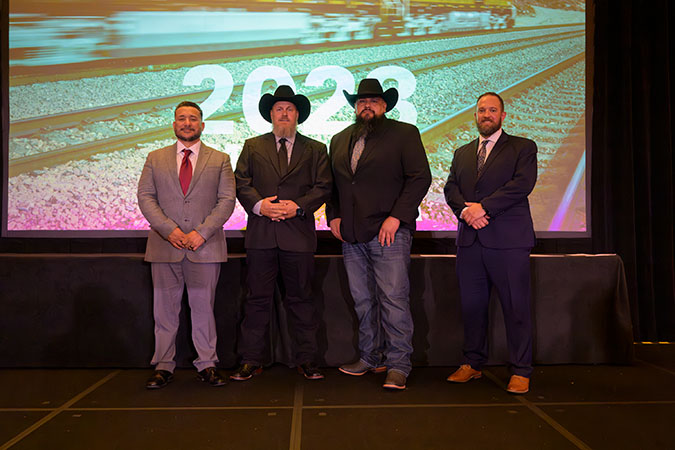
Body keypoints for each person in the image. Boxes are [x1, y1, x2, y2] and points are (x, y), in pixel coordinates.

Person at [326, 78, 431, 390]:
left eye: (372, 101)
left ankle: (399, 364)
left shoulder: (404, 134)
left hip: (390, 233)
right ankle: (371, 357)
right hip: (352, 235)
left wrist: (396, 217)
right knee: (362, 300)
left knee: (393, 299)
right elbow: (334, 184)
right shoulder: (340, 138)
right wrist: (334, 216)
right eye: (361, 101)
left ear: (385, 106)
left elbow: (419, 178)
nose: (366, 105)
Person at [232, 85, 332, 381]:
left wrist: (298, 207)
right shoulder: (252, 145)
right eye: (279, 109)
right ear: (271, 115)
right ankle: (251, 359)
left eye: (289, 109)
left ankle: (307, 360)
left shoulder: (316, 149)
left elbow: (323, 186)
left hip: (298, 236)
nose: (284, 113)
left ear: (298, 115)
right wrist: (261, 205)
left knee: (302, 301)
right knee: (257, 300)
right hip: (262, 236)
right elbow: (240, 182)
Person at [443, 92, 537, 394]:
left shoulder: (523, 147)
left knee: (516, 307)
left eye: (492, 110)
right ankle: (472, 363)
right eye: (481, 110)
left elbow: (521, 185)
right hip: (471, 241)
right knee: (472, 307)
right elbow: (450, 188)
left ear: (503, 116)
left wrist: (483, 208)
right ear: (475, 116)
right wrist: (466, 213)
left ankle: (521, 370)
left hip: (509, 242)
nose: (486, 114)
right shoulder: (462, 152)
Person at [137, 101, 236, 389]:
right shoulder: (155, 158)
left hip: (205, 247)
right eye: (182, 118)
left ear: (202, 125)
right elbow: (145, 197)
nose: (187, 123)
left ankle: (207, 364)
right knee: (164, 311)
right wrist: (170, 230)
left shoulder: (220, 159)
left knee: (204, 308)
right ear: (174, 125)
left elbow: (227, 201)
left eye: (193, 118)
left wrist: (201, 233)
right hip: (164, 245)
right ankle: (164, 365)